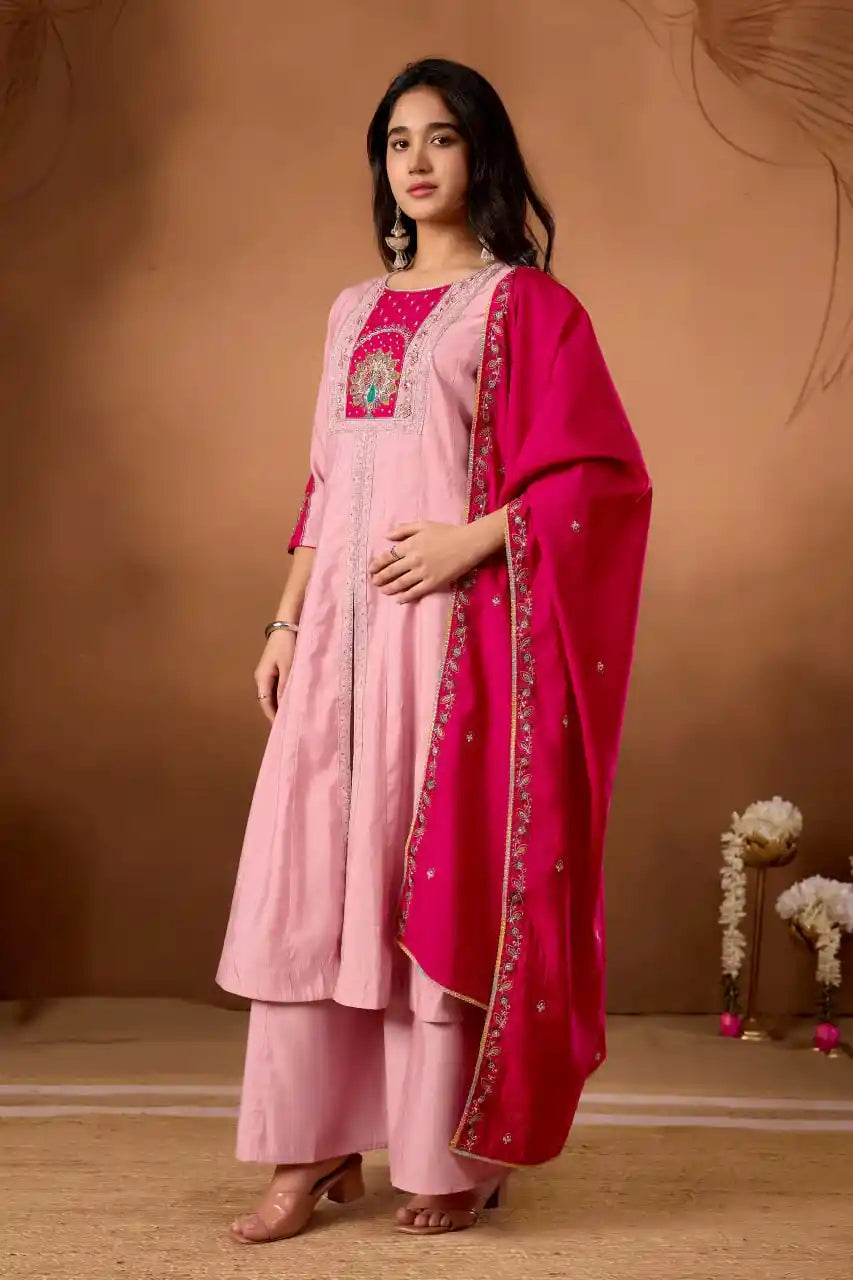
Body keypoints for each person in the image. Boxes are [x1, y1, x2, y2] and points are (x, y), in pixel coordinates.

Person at [217, 55, 652, 1242]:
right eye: (397, 140)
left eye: (441, 138)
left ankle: (445, 1152)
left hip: (449, 652)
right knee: (316, 881)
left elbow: (598, 482)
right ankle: (310, 1154)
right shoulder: (351, 310)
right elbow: (324, 482)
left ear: (483, 156)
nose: (415, 161)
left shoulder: (526, 307)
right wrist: (285, 618)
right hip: (335, 656)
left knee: (425, 879)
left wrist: (472, 540)